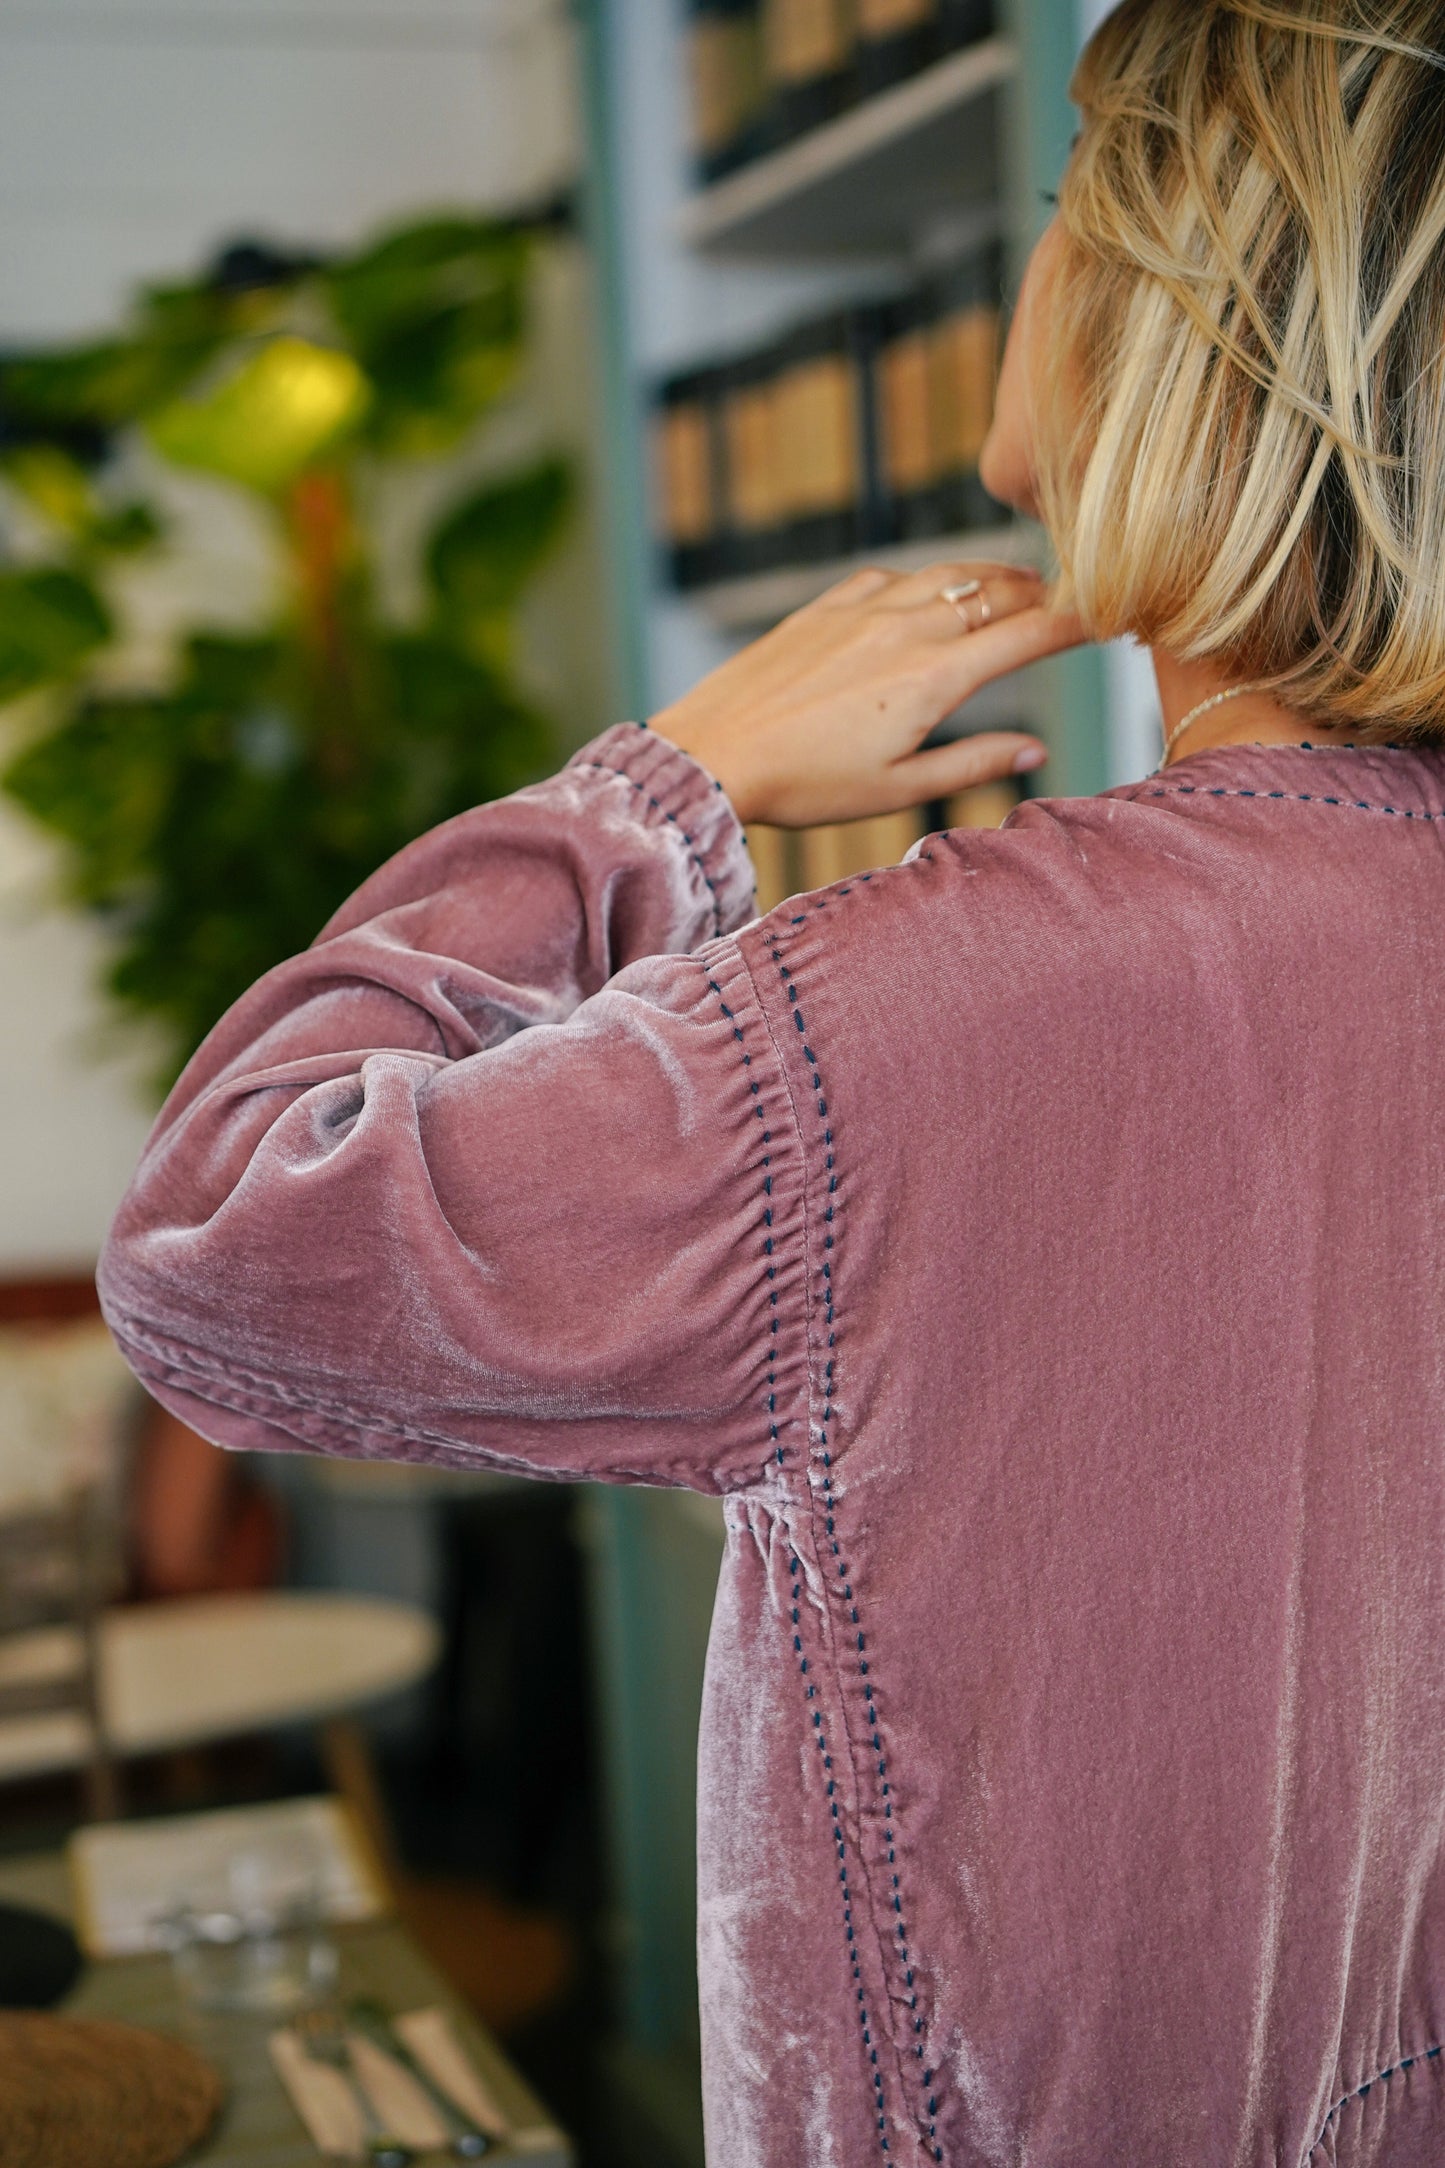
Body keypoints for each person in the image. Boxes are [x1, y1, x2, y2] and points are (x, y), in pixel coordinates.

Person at [99, 1, 1445, 2159]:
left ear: (1159, 309)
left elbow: (218, 1251)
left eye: (1054, 210)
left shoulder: (897, 1033)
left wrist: (662, 788)